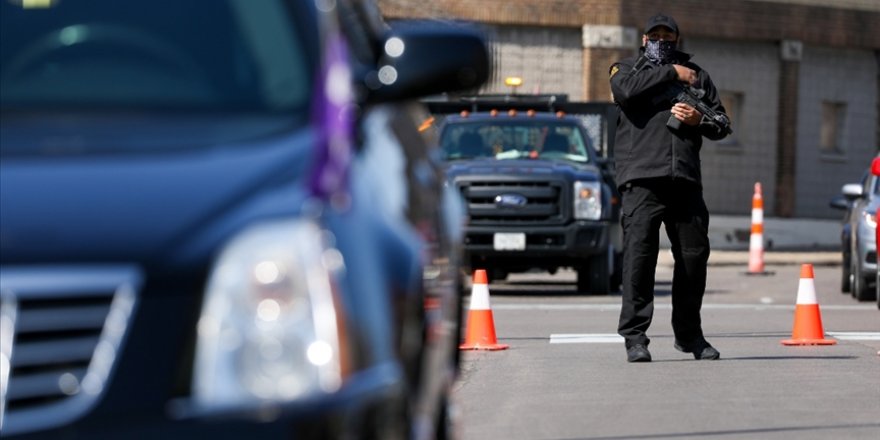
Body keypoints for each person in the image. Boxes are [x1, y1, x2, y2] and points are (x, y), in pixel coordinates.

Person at [608, 14, 730, 362]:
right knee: (639, 260)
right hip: (642, 179)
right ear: (644, 39)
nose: (662, 39)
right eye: (655, 34)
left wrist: (698, 119)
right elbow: (625, 92)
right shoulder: (626, 69)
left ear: (677, 38)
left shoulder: (698, 76)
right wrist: (673, 73)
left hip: (685, 180)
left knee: (693, 259)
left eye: (668, 34)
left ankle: (690, 336)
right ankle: (635, 338)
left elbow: (722, 123)